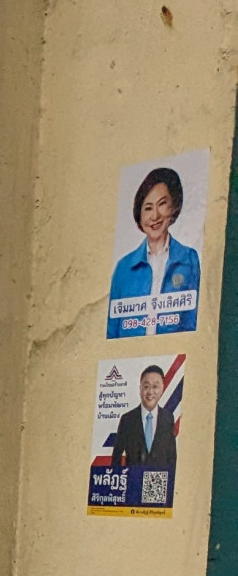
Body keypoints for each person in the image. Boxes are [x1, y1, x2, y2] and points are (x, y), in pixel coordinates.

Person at [108, 166, 203, 338]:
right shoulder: (124, 268)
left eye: (162, 204)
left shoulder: (189, 259)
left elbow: (193, 323)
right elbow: (112, 332)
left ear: (173, 207)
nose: (155, 216)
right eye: (148, 208)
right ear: (139, 215)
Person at [109, 362, 177, 470]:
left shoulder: (168, 418)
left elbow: (172, 458)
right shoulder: (127, 420)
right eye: (146, 386)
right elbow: (116, 459)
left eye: (155, 386)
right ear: (140, 389)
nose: (150, 391)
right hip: (133, 482)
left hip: (158, 483)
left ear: (162, 390)